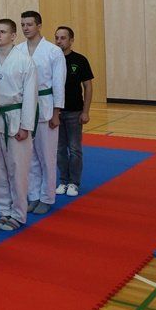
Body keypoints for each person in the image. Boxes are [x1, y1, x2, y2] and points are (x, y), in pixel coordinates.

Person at [0, 19, 37, 231]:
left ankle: (18, 213)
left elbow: (31, 96)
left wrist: (26, 126)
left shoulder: (25, 61)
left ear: (13, 35)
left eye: (3, 32)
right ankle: (2, 210)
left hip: (16, 119)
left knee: (18, 170)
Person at [17, 11, 65, 216]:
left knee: (47, 157)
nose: (25, 28)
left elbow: (59, 83)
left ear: (39, 25)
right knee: (30, 158)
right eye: (23, 25)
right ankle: (34, 195)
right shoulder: (18, 50)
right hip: (25, 108)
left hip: (46, 106)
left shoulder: (53, 51)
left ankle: (47, 197)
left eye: (29, 24)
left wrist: (56, 112)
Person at [52, 26, 94, 197]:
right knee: (59, 149)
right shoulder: (52, 59)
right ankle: (63, 180)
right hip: (56, 112)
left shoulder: (80, 60)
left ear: (71, 40)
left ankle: (74, 183)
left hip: (74, 112)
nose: (59, 41)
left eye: (63, 38)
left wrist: (86, 111)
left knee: (75, 149)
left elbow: (88, 87)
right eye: (57, 38)